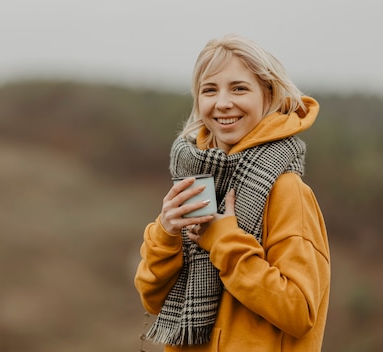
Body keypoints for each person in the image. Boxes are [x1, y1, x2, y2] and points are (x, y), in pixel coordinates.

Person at [134, 34, 330, 351]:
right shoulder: (197, 181)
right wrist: (166, 234)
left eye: (239, 88)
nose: (223, 102)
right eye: (209, 90)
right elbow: (153, 300)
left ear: (268, 96)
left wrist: (224, 240)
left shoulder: (287, 189)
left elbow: (299, 311)